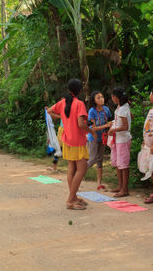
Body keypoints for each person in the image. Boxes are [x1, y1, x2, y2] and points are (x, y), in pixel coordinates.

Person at [48, 79, 96, 210]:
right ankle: (70, 200)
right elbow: (81, 124)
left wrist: (62, 117)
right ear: (80, 90)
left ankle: (73, 197)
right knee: (82, 170)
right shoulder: (79, 104)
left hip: (67, 140)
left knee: (72, 169)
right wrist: (91, 130)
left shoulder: (62, 102)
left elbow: (49, 111)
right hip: (78, 141)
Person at [108, 87, 132, 198]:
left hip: (123, 139)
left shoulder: (122, 109)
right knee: (118, 163)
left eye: (113, 96)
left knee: (123, 164)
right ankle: (120, 186)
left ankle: (124, 189)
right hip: (118, 139)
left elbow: (125, 126)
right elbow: (129, 118)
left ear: (116, 97)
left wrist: (113, 129)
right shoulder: (122, 107)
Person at [87, 91, 113, 191]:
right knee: (92, 159)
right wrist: (106, 125)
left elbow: (111, 121)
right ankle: (78, 174)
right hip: (93, 138)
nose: (101, 98)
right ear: (94, 100)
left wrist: (109, 128)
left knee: (100, 160)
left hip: (103, 137)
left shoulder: (106, 109)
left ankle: (99, 184)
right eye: (98, 97)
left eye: (102, 96)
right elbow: (93, 128)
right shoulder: (91, 111)